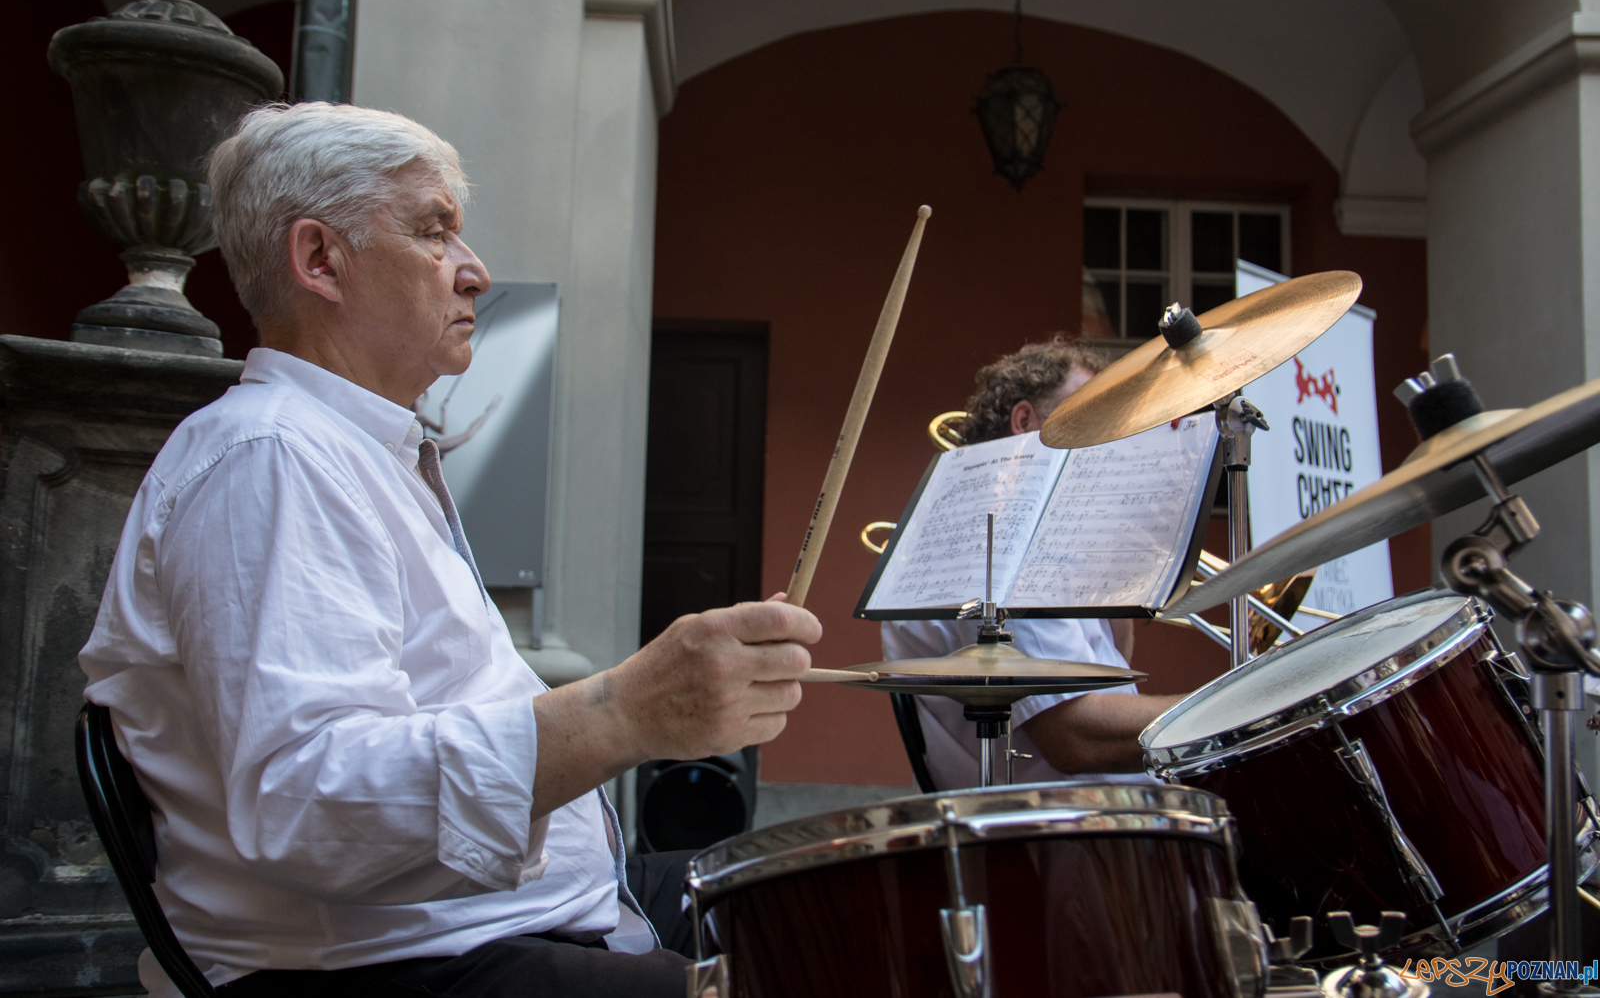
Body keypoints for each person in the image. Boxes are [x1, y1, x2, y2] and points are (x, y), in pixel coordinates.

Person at [78, 103, 820, 998]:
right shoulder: (269, 458)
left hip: (496, 922)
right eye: (435, 233)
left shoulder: (353, 454)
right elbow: (311, 801)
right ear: (320, 259)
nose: (475, 273)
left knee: (830, 895)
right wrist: (626, 710)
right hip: (390, 965)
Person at [881, 337, 1183, 789]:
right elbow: (1074, 735)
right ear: (1026, 422)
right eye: (1091, 413)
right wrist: (1229, 707)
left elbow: (1111, 671)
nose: (1109, 435)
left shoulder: (1039, 536)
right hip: (1072, 839)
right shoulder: (1002, 534)